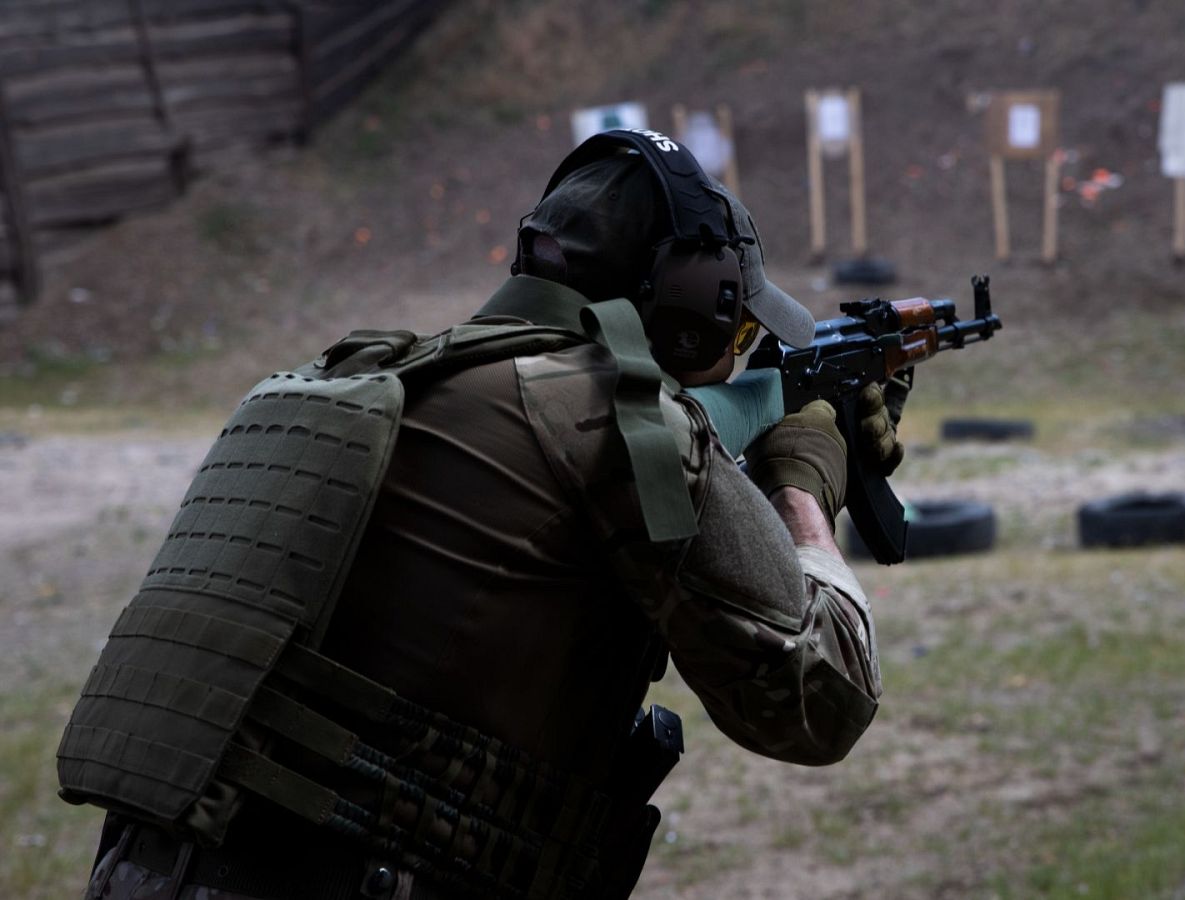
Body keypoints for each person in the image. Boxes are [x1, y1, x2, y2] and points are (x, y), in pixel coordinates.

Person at [66, 130, 903, 900]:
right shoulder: (614, 418)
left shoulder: (364, 384)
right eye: (741, 322)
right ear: (692, 307)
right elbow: (819, 700)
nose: (736, 349)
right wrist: (800, 476)